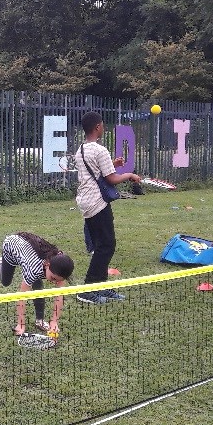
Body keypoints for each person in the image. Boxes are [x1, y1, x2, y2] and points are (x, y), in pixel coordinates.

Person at [73, 112, 141, 304]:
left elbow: (95, 172)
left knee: (101, 245)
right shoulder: (100, 150)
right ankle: (88, 290)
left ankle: (100, 287)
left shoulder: (81, 150)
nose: (103, 127)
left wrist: (113, 164)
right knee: (106, 245)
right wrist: (129, 175)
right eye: (102, 125)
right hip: (97, 202)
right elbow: (111, 179)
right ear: (97, 127)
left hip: (85, 201)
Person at [0, 232, 75, 336]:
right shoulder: (34, 269)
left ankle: (40, 321)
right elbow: (22, 296)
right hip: (11, 246)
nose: (55, 282)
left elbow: (59, 294)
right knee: (6, 282)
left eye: (58, 280)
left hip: (29, 252)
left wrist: (54, 321)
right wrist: (21, 324)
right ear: (47, 264)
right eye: (53, 278)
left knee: (38, 287)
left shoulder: (60, 265)